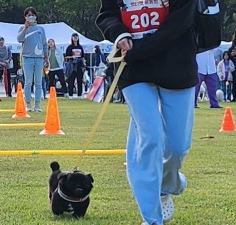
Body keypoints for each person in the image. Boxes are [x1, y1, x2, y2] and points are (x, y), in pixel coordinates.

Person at [96, 1, 198, 224]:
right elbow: (106, 15)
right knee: (150, 138)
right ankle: (152, 219)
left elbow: (179, 23)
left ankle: (167, 185)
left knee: (177, 147)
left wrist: (138, 50)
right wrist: (119, 33)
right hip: (133, 71)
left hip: (176, 67)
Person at [17, 6, 48, 112]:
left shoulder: (41, 29)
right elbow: (19, 39)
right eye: (28, 15)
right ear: (25, 17)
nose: (31, 17)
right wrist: (25, 28)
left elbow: (44, 44)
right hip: (27, 58)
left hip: (39, 58)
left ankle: (38, 105)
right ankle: (28, 104)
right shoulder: (22, 28)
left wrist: (46, 57)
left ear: (35, 16)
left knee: (38, 82)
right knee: (28, 82)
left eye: (32, 15)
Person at [65, 33, 85, 99]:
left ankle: (79, 94)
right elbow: (66, 57)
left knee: (79, 80)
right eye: (74, 37)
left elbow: (83, 57)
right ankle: (70, 94)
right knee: (71, 80)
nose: (75, 38)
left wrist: (83, 64)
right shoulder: (70, 47)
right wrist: (72, 57)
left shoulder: (80, 47)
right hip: (72, 65)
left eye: (76, 37)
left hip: (79, 65)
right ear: (72, 38)